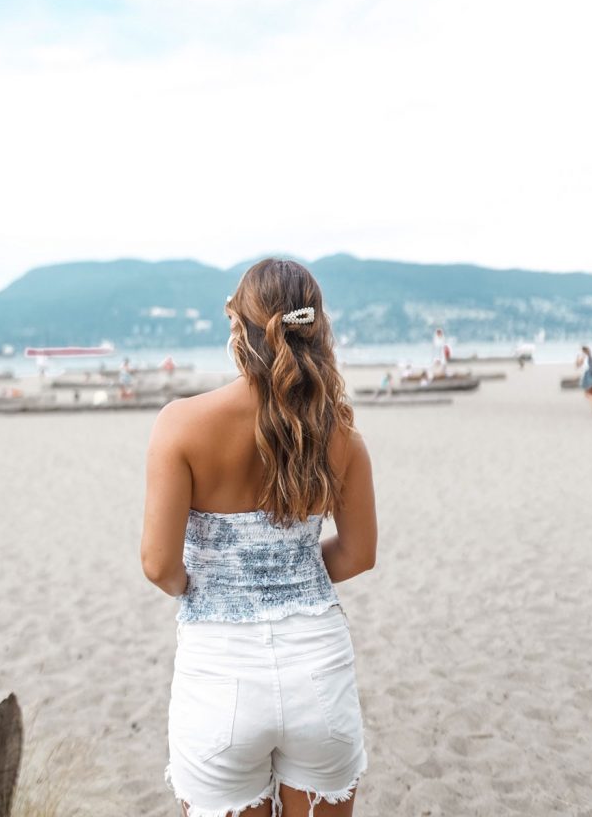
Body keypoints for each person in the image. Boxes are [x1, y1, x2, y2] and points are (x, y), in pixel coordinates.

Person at [140, 258, 377, 817]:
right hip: (318, 670)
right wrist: (286, 572)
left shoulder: (181, 424)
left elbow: (158, 565)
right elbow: (358, 553)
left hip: (220, 674)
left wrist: (206, 582)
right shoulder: (339, 433)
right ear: (315, 329)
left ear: (238, 330)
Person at [576, 346, 592, 415]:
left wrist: (578, 357)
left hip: (590, 377)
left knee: (587, 394)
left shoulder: (584, 357)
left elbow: (577, 365)